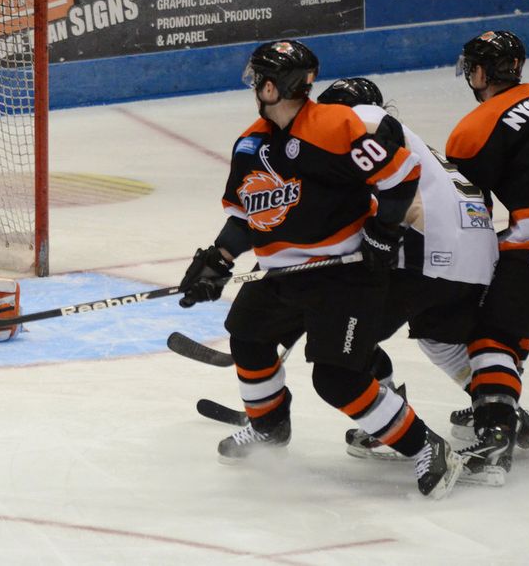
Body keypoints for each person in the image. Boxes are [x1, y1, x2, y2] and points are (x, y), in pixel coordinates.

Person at [178, 40, 461, 499]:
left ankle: (426, 446)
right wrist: (219, 259)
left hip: (343, 275)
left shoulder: (336, 126)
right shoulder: (250, 144)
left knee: (337, 379)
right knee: (248, 337)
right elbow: (248, 216)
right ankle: (269, 428)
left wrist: (381, 233)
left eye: (259, 79)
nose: (254, 87)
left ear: (272, 86)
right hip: (281, 275)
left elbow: (399, 178)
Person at [314, 78, 508, 461]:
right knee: (440, 340)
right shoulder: (417, 145)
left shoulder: (363, 121)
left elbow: (391, 208)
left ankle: (390, 418)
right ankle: (502, 415)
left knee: (343, 340)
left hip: (429, 260)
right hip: (478, 258)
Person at [445, 30, 529, 485]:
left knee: (495, 335)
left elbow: (474, 216)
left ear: (478, 73)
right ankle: (501, 397)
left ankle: (495, 425)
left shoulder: (475, 128)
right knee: (517, 325)